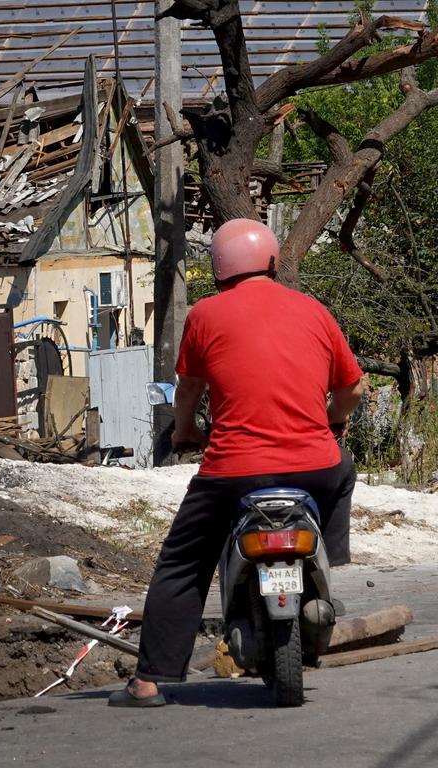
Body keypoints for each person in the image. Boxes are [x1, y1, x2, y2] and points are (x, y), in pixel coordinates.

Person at [109, 218, 365, 708]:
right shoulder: (313, 310)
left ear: (220, 267)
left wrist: (184, 433)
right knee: (343, 471)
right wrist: (329, 425)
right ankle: (327, 561)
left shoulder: (205, 314)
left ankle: (149, 681)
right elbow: (353, 388)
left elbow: (188, 389)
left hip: (233, 473)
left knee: (183, 563)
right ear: (271, 262)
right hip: (315, 466)